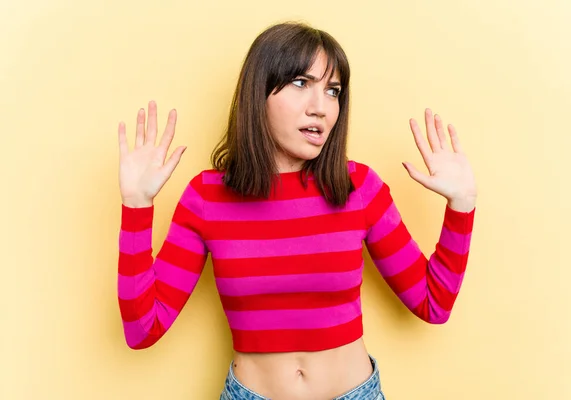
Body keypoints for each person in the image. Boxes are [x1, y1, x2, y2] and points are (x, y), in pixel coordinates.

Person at [116, 22, 477, 400]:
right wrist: (137, 206)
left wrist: (462, 204)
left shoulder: (361, 189)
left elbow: (432, 303)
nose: (321, 108)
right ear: (259, 93)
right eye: (302, 83)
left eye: (333, 91)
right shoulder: (207, 198)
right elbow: (142, 330)